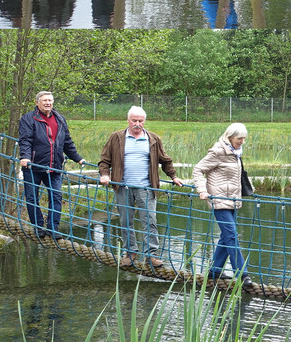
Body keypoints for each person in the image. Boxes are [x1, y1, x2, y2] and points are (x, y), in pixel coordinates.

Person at [98, 106, 183, 269]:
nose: (137, 124)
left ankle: (152, 255)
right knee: (126, 221)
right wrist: (104, 174)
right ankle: (130, 253)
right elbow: (104, 160)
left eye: (140, 121)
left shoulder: (153, 139)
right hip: (123, 187)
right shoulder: (116, 138)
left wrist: (174, 176)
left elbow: (165, 160)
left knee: (150, 221)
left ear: (144, 121)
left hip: (146, 187)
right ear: (128, 120)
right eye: (134, 120)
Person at [18, 91, 89, 239]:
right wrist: (25, 157)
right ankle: (38, 227)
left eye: (50, 100)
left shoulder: (60, 119)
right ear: (37, 102)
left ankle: (53, 229)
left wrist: (77, 158)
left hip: (54, 166)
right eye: (44, 100)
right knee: (32, 198)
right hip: (33, 166)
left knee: (56, 196)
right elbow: (25, 140)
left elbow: (67, 142)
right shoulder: (28, 119)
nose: (47, 103)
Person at [193, 122, 253, 287]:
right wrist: (202, 190)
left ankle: (215, 270)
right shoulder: (218, 152)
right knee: (232, 236)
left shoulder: (236, 153)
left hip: (233, 200)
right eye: (240, 138)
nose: (242, 142)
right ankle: (242, 274)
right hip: (219, 200)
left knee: (226, 237)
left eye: (244, 139)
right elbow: (198, 169)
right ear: (230, 137)